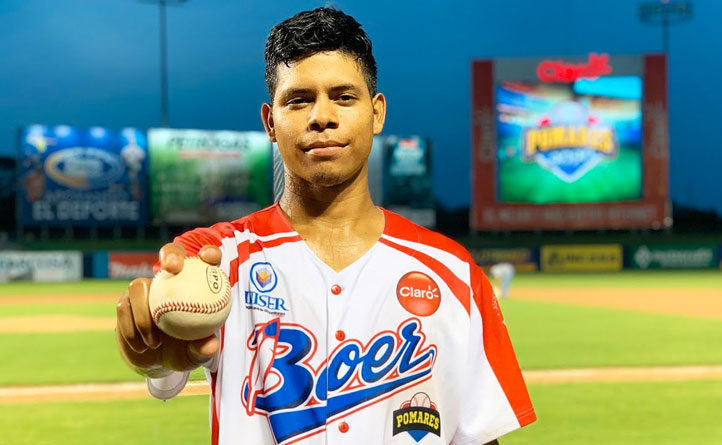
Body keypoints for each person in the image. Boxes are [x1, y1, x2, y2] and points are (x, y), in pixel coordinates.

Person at [115, 7, 535, 445]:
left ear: (377, 113)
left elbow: (480, 435)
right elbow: (163, 359)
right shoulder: (217, 259)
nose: (322, 116)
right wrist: (151, 354)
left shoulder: (453, 272)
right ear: (270, 122)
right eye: (298, 100)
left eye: (343, 96)